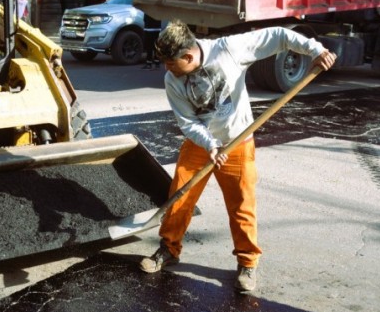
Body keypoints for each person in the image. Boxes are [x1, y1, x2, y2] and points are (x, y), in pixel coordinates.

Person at [139, 20, 337, 293]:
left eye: (171, 63)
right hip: (200, 144)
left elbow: (278, 35)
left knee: (241, 204)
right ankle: (169, 249)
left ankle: (247, 263)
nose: (167, 69)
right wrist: (210, 145)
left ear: (188, 56)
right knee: (180, 197)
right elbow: (188, 122)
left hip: (238, 140)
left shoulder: (228, 50)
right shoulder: (172, 79)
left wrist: (314, 49)